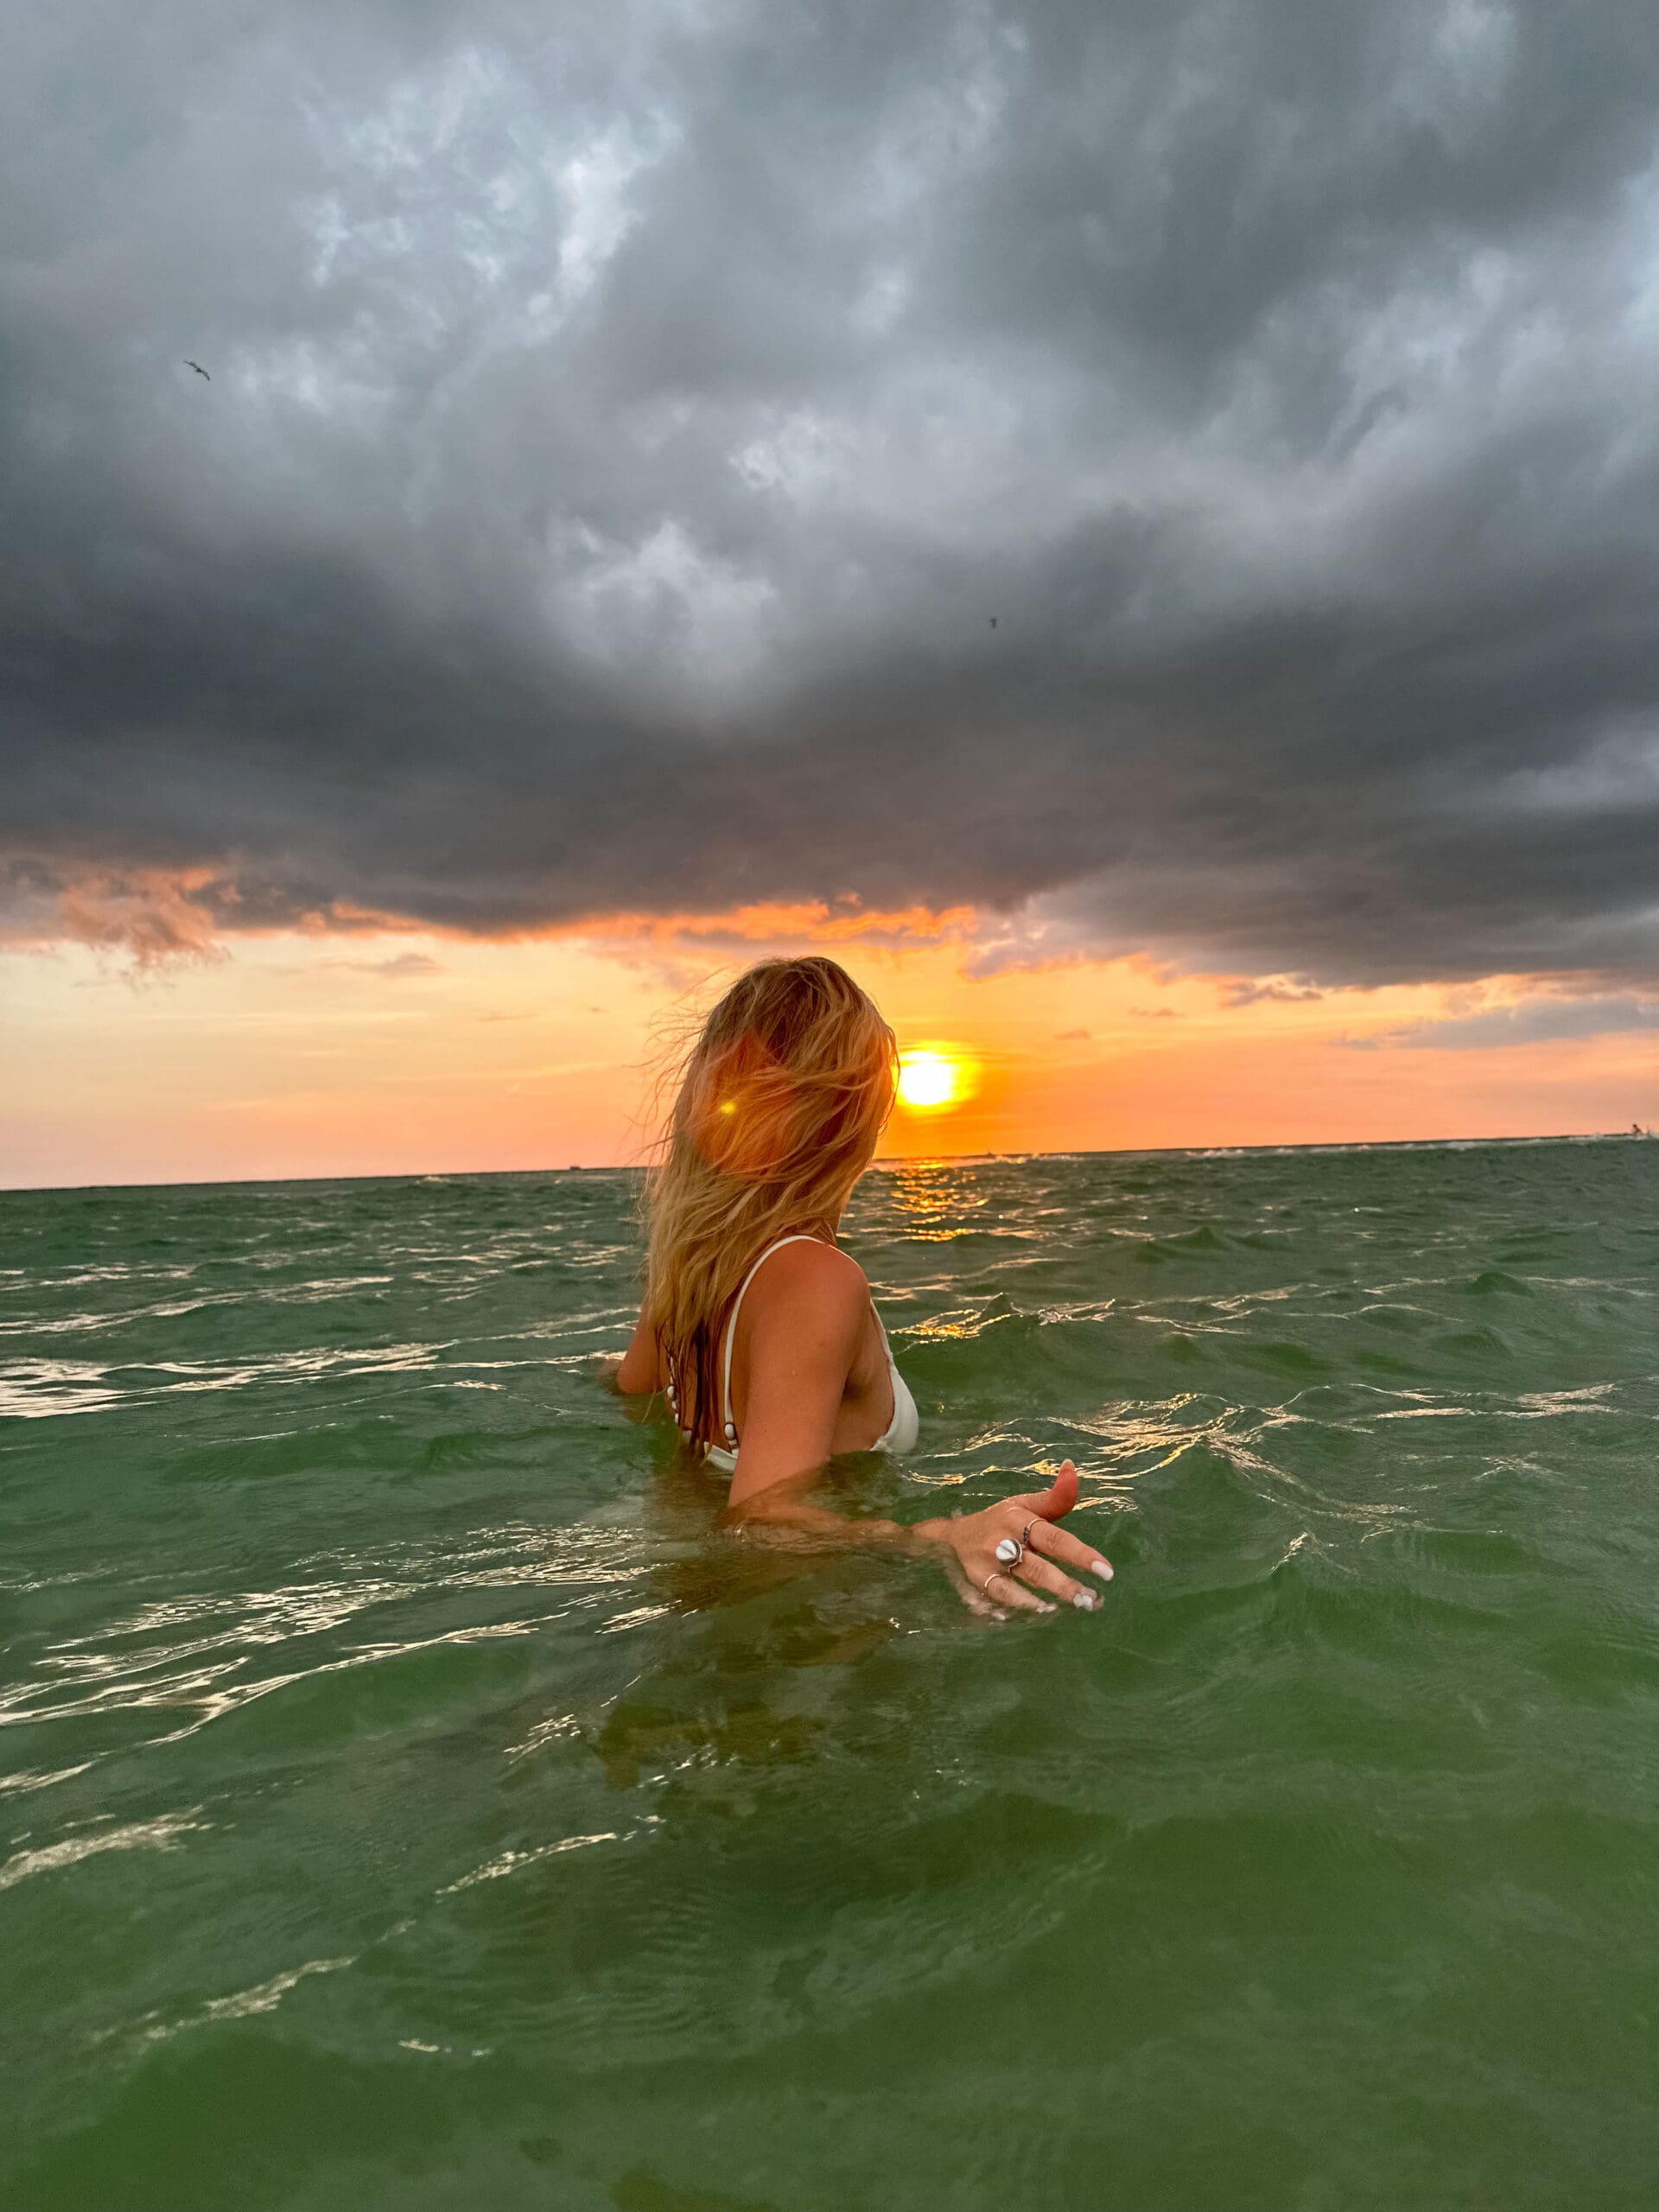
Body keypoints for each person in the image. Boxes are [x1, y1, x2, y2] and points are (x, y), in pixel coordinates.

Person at [612, 955, 1115, 1618]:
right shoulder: (815, 1278)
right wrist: (935, 1537)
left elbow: (630, 1394)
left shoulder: (686, 1267)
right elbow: (764, 1523)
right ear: (850, 1117)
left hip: (684, 1603)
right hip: (806, 1634)